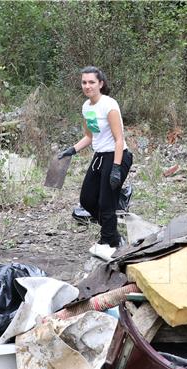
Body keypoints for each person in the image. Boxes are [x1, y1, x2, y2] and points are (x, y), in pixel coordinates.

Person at [59, 66, 133, 250]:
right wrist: (72, 150)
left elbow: (119, 139)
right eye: (84, 82)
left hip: (117, 155)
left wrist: (116, 168)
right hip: (100, 156)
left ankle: (110, 242)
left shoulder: (109, 105)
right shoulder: (86, 107)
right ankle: (112, 230)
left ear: (100, 83)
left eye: (91, 82)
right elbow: (90, 136)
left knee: (105, 203)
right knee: (87, 199)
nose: (87, 86)